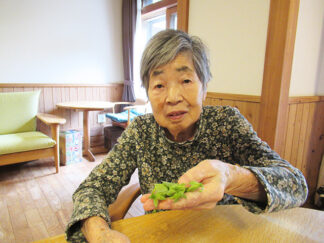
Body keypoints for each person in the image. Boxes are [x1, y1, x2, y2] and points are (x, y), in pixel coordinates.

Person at [66, 29, 308, 242]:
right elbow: (92, 188)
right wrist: (100, 233)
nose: (172, 97)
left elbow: (295, 184)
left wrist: (231, 177)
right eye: (159, 85)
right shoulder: (141, 131)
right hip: (163, 234)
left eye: (185, 80)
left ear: (204, 87)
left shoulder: (227, 123)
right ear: (148, 92)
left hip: (226, 235)